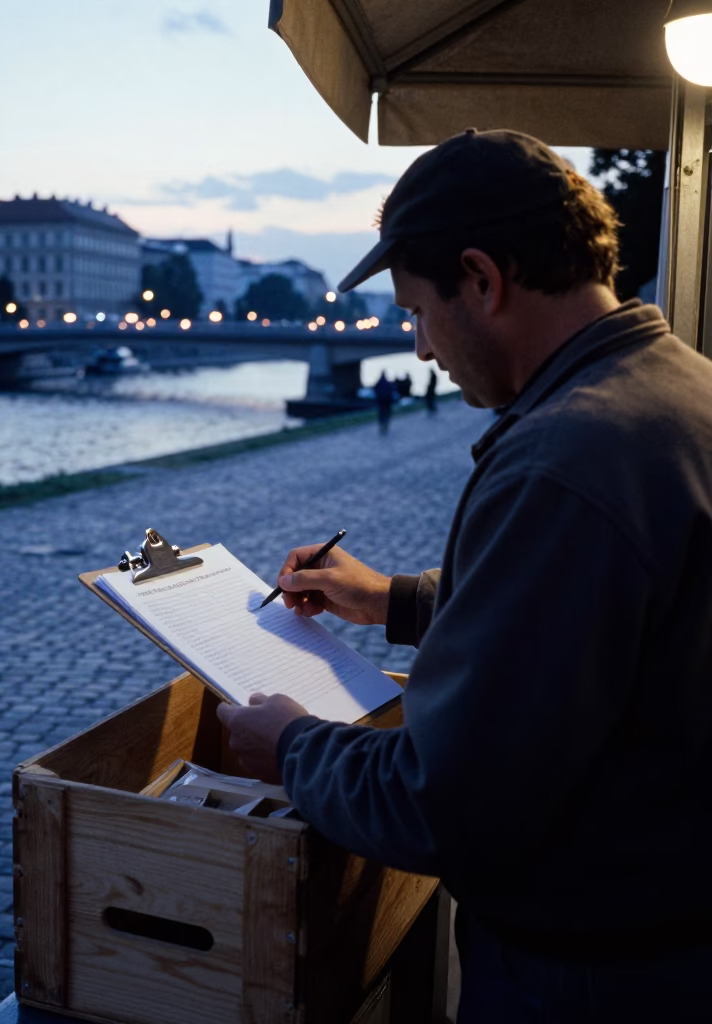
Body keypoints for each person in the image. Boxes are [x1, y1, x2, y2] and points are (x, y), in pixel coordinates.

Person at [217, 129, 712, 1022]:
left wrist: (291, 749)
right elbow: (604, 617)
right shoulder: (679, 390)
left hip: (592, 978)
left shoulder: (563, 461)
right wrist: (393, 599)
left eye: (417, 313)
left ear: (484, 281)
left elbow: (447, 801)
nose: (419, 353)